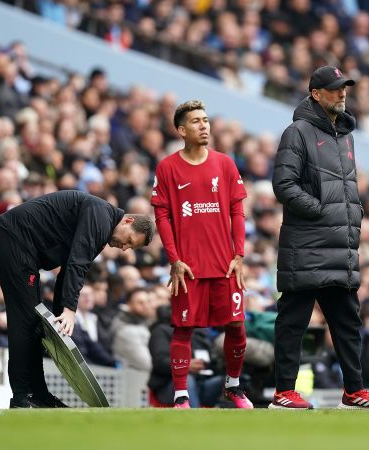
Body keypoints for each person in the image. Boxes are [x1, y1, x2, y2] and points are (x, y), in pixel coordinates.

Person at [271, 65, 369, 410]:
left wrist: (351, 218)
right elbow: (284, 185)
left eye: (344, 88)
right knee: (293, 321)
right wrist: (322, 211)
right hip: (306, 244)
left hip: (339, 246)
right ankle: (283, 392)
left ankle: (354, 390)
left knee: (347, 322)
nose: (342, 94)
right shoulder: (297, 132)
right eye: (335, 88)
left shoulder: (345, 136)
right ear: (315, 93)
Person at [0, 190, 154, 408]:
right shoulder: (101, 216)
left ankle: (38, 395)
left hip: (17, 245)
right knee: (25, 322)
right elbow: (77, 263)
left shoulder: (102, 225)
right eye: (128, 240)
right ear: (128, 220)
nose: (124, 247)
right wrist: (69, 310)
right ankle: (22, 397)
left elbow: (67, 271)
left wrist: (58, 315)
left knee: (34, 324)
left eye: (130, 247)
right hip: (11, 239)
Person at [150, 100, 252, 409]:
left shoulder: (225, 163)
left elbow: (237, 210)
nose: (204, 125)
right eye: (196, 121)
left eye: (206, 120)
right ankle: (182, 395)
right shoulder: (167, 167)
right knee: (183, 329)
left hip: (225, 265)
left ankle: (233, 386)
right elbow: (162, 216)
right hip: (189, 268)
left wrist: (239, 255)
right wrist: (174, 259)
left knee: (236, 326)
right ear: (181, 130)